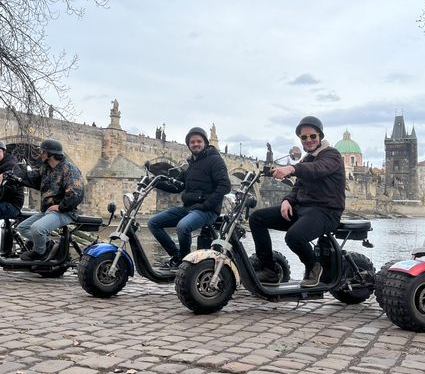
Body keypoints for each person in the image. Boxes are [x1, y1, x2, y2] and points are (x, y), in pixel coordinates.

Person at [249, 116, 345, 287]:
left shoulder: (332, 155)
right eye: (304, 137)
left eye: (312, 136)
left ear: (320, 136)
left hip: (326, 211)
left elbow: (317, 169)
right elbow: (298, 186)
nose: (308, 140)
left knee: (294, 237)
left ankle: (313, 266)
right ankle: (269, 270)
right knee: (257, 218)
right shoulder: (307, 159)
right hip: (302, 209)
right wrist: (287, 200)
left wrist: (291, 168)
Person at [147, 127, 231, 270]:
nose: (195, 144)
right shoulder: (189, 164)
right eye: (192, 142)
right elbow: (177, 187)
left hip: (208, 210)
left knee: (183, 226)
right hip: (189, 208)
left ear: (205, 142)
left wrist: (206, 205)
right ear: (188, 144)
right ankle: (176, 256)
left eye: (199, 141)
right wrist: (154, 181)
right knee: (153, 223)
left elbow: (225, 186)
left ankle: (185, 263)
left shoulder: (215, 160)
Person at [0, 139, 83, 261]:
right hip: (48, 210)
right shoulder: (46, 169)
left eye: (42, 151)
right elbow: (29, 177)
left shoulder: (69, 169)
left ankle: (39, 252)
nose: (39, 154)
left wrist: (61, 206)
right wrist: (7, 175)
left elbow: (76, 193)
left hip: (65, 211)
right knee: (23, 227)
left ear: (51, 154)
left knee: (37, 228)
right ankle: (48, 245)